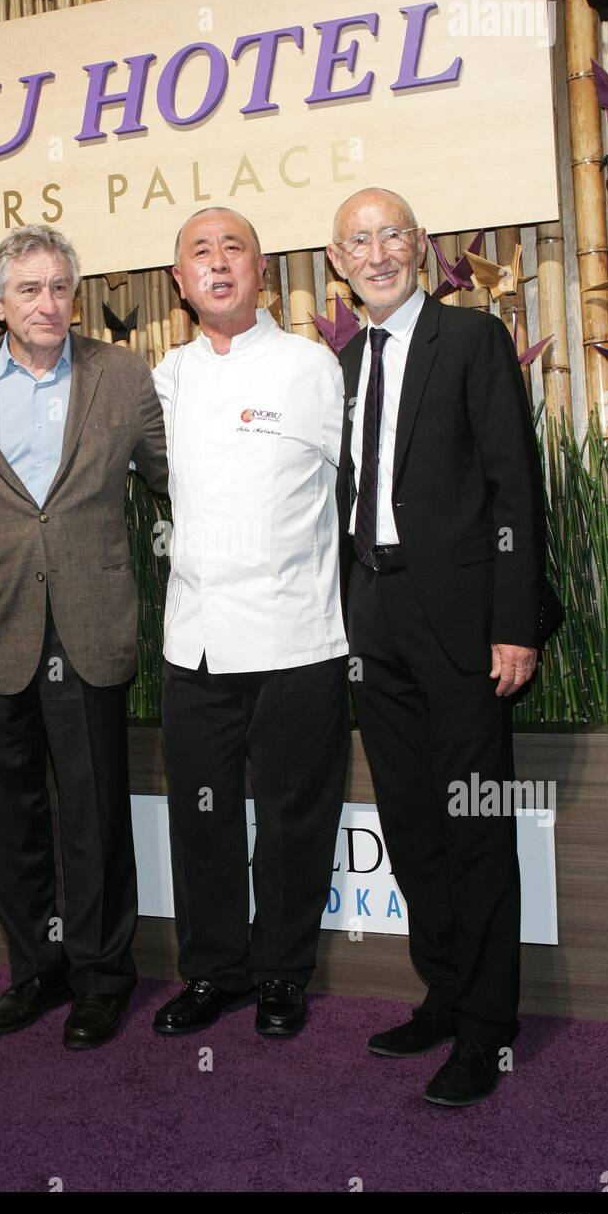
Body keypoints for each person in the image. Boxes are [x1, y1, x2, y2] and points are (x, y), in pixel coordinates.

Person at [0, 224, 167, 1049]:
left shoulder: (121, 378)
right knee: (7, 815)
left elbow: (179, 485)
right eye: (29, 289)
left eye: (61, 287)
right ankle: (35, 969)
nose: (49, 303)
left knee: (92, 813)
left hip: (88, 626)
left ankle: (101, 977)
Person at [328, 188, 545, 1106]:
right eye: (357, 241)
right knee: (414, 826)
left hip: (463, 624)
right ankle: (446, 995)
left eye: (391, 235)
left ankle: (489, 1027)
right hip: (371, 619)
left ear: (419, 247)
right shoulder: (333, 365)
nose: (376, 253)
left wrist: (515, 624)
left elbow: (514, 488)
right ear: (337, 263)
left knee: (475, 825)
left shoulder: (471, 340)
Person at [150, 206, 350, 1039]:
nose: (219, 262)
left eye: (235, 247)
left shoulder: (311, 365)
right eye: (201, 251)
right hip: (194, 634)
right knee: (202, 815)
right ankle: (212, 972)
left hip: (296, 633)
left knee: (295, 814)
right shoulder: (168, 375)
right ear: (181, 281)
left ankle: (282, 973)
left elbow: (354, 492)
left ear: (261, 270)